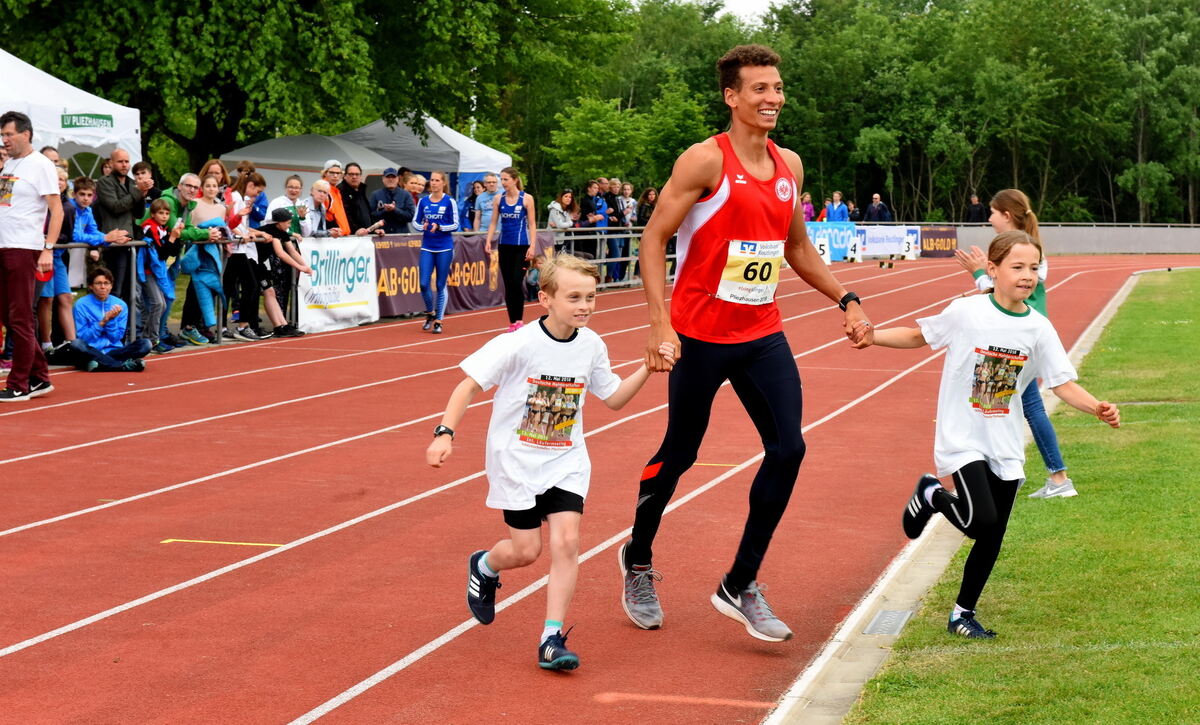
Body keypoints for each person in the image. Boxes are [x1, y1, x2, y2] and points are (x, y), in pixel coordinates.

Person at [618, 45, 872, 642]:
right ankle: (638, 558)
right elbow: (654, 239)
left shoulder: (791, 166)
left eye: (778, 88)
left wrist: (847, 299)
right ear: (732, 96)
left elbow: (798, 249)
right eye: (759, 89)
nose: (773, 98)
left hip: (761, 335)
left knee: (789, 449)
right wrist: (659, 324)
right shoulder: (704, 161)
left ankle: (741, 582)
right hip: (700, 337)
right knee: (678, 454)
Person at [863, 230, 1120, 639]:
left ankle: (961, 614)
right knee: (981, 519)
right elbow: (918, 335)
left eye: (1034, 267)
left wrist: (1097, 408)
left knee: (993, 534)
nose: (1027, 276)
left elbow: (1061, 382)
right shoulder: (967, 312)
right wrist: (872, 336)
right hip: (962, 435)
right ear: (993, 269)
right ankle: (933, 494)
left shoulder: (1038, 328)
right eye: (1017, 267)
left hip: (1003, 440)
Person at [426, 253, 673, 670]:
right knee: (526, 551)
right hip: (516, 461)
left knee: (567, 543)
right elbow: (467, 386)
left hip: (566, 460)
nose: (585, 306)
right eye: (574, 297)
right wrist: (444, 434)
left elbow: (611, 398)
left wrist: (648, 369)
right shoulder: (517, 344)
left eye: (591, 298)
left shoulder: (592, 345)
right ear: (545, 298)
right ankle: (484, 565)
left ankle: (551, 637)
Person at [954, 189, 1077, 499]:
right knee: (1006, 403)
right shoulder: (1022, 245)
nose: (989, 217)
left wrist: (980, 272)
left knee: (999, 403)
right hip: (1015, 335)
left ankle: (1045, 478)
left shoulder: (1020, 248)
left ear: (1006, 215)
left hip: (1016, 337)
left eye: (993, 212)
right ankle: (1026, 476)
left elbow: (1004, 291)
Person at [0, 111, 63, 401]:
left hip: (24, 247)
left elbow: (57, 210)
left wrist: (47, 249)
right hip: (4, 245)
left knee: (21, 316)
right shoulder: (10, 164)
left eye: (9, 135)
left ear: (26, 134)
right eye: (2, 136)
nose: (5, 140)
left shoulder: (40, 165)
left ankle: (19, 383)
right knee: (8, 314)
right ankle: (39, 377)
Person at [484, 167, 537, 332]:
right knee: (508, 284)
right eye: (502, 179)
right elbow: (493, 222)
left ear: (515, 179)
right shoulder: (499, 199)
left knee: (516, 281)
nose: (503, 183)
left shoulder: (527, 199)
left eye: (506, 179)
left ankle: (520, 319)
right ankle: (512, 322)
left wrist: (533, 245)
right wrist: (488, 240)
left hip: (521, 246)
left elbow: (532, 223)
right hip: (504, 245)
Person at [68, 266, 151, 371]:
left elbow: (116, 338)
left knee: (145, 344)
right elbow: (84, 338)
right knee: (76, 344)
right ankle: (121, 366)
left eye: (106, 283)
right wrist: (102, 322)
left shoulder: (120, 305)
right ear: (91, 286)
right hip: (91, 350)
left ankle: (100, 364)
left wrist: (111, 321)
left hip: (114, 351)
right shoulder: (81, 305)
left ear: (111, 286)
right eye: (98, 283)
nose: (103, 287)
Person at [93, 149, 144, 304]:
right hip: (114, 244)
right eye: (120, 161)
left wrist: (142, 193)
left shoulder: (132, 183)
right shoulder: (104, 182)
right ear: (111, 163)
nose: (124, 165)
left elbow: (139, 213)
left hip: (130, 242)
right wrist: (137, 192)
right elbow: (115, 206)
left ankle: (127, 327)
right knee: (116, 289)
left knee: (130, 291)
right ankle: (110, 326)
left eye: (127, 161)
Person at [412, 171, 460, 334]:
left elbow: (455, 224)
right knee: (424, 283)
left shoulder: (449, 201)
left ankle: (439, 320)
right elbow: (415, 222)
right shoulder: (423, 201)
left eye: (437, 180)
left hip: (444, 247)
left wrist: (440, 227)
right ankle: (430, 312)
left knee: (440, 284)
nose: (433, 183)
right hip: (427, 246)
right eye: (431, 180)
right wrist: (422, 227)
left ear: (443, 183)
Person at [254, 207, 312, 337]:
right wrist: (299, 267)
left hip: (260, 264)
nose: (289, 225)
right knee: (268, 292)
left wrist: (305, 265)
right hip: (252, 263)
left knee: (270, 292)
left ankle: (282, 325)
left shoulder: (283, 232)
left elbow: (292, 251)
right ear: (279, 222)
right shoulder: (269, 230)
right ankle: (278, 326)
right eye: (288, 222)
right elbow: (281, 254)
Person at [224, 171, 267, 341]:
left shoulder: (242, 199)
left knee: (231, 286)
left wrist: (254, 233)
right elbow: (230, 222)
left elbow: (242, 225)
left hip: (240, 247)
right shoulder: (235, 197)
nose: (257, 196)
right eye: (257, 192)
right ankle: (242, 325)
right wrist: (240, 236)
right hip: (236, 248)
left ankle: (230, 326)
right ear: (250, 186)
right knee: (250, 285)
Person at [37, 168, 76, 351]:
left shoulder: (68, 207)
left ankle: (74, 343)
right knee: (47, 299)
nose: (59, 182)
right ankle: (46, 343)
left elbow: (67, 235)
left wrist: (51, 239)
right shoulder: (40, 202)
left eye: (62, 179)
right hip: (40, 255)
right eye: (55, 179)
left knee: (66, 297)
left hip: (57, 255)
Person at [139, 199, 181, 353]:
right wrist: (171, 239)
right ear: (153, 214)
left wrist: (175, 237)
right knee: (158, 303)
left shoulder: (163, 228)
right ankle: (152, 339)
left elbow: (174, 251)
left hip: (158, 272)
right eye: (161, 213)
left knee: (162, 303)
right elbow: (162, 254)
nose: (164, 216)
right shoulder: (150, 228)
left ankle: (148, 336)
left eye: (167, 213)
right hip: (148, 271)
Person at [369, 168, 416, 234]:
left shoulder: (406, 195)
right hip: (381, 235)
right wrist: (384, 211)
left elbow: (410, 217)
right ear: (383, 179)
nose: (390, 179)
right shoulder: (375, 195)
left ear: (397, 179)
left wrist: (395, 210)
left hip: (401, 236)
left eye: (393, 177)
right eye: (388, 177)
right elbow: (370, 216)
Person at [338, 162, 379, 235]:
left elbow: (368, 214)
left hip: (365, 235)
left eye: (357, 174)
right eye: (351, 174)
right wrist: (355, 230)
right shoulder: (341, 191)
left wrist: (374, 229)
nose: (354, 177)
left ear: (361, 176)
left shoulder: (361, 190)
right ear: (344, 176)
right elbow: (345, 215)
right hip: (350, 237)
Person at [321, 160, 351, 236]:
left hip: (339, 237)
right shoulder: (323, 190)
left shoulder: (335, 191)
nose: (335, 176)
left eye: (338, 173)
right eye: (332, 172)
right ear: (325, 173)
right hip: (332, 238)